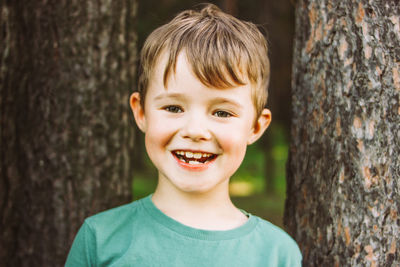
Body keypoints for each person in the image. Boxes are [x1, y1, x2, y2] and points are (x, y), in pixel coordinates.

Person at [65, 4, 302, 266]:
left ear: (256, 127)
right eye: (173, 108)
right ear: (141, 112)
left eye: (222, 112)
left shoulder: (277, 254)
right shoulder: (100, 239)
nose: (195, 131)